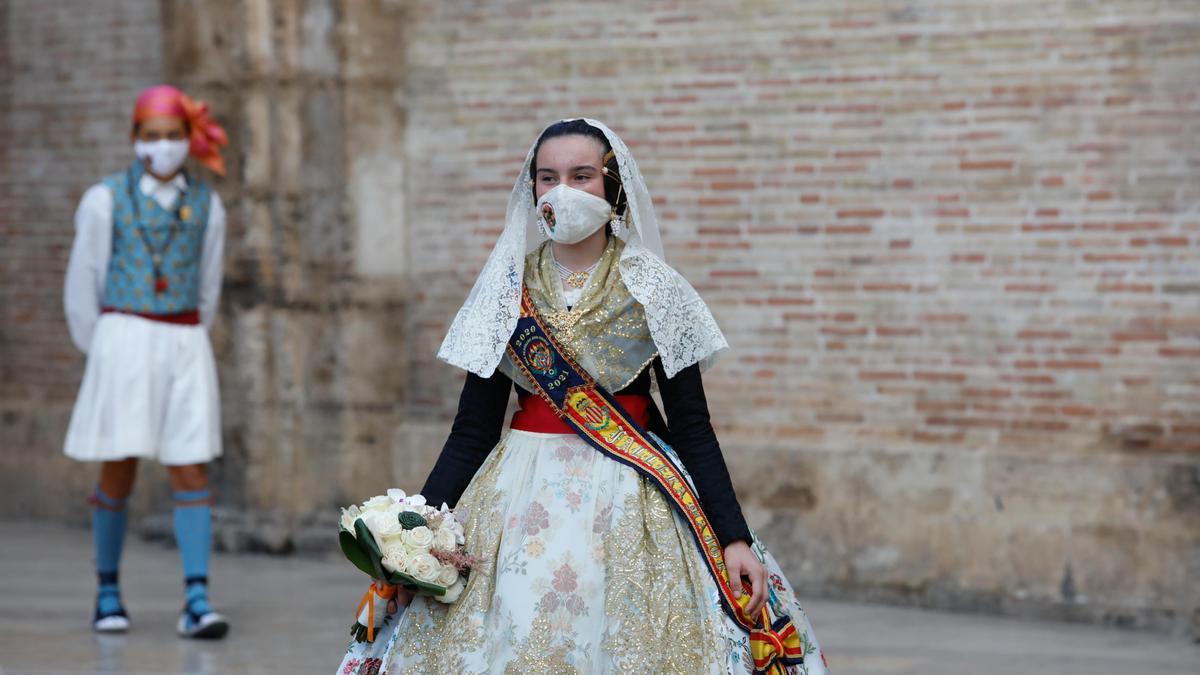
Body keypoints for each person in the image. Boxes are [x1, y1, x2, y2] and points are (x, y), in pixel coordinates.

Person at [337, 118, 828, 673]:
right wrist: (416, 536)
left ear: (612, 188)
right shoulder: (506, 292)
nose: (562, 192)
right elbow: (472, 432)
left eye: (581, 176)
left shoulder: (656, 290)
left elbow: (692, 425)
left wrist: (733, 537)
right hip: (516, 502)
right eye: (548, 178)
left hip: (635, 500)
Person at [63, 84, 230, 639]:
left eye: (173, 136)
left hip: (182, 341)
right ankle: (107, 590)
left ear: (189, 139)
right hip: (123, 341)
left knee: (190, 465)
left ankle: (197, 599)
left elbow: (208, 287)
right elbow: (83, 282)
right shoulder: (104, 199)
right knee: (120, 461)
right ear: (135, 140)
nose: (163, 146)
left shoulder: (208, 204)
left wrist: (183, 337)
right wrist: (107, 348)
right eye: (151, 136)